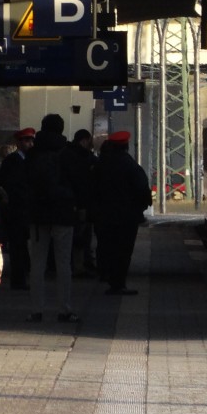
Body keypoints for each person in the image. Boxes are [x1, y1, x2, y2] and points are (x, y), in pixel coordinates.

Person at [24, 114, 79, 322]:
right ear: (61, 128)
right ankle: (64, 308)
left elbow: (26, 181)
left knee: (37, 263)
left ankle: (36, 309)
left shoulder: (33, 153)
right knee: (63, 263)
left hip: (38, 215)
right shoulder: (67, 153)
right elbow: (77, 181)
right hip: (63, 213)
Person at [93, 131, 152, 296]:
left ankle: (106, 275)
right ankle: (118, 284)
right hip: (126, 217)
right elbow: (141, 188)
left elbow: (93, 188)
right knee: (123, 251)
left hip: (104, 215)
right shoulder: (129, 164)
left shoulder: (101, 164)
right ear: (126, 145)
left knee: (106, 246)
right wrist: (140, 209)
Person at [0, 128, 34, 290]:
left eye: (31, 140)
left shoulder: (26, 159)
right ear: (18, 142)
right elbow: (4, 182)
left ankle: (22, 275)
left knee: (21, 244)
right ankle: (18, 279)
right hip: (17, 208)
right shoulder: (13, 160)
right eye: (26, 140)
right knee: (18, 244)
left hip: (23, 207)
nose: (30, 143)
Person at [65, 129, 98, 278]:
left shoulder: (67, 154)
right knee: (81, 235)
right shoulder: (84, 158)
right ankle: (80, 266)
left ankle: (81, 263)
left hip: (74, 202)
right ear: (84, 140)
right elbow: (82, 183)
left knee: (80, 235)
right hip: (81, 203)